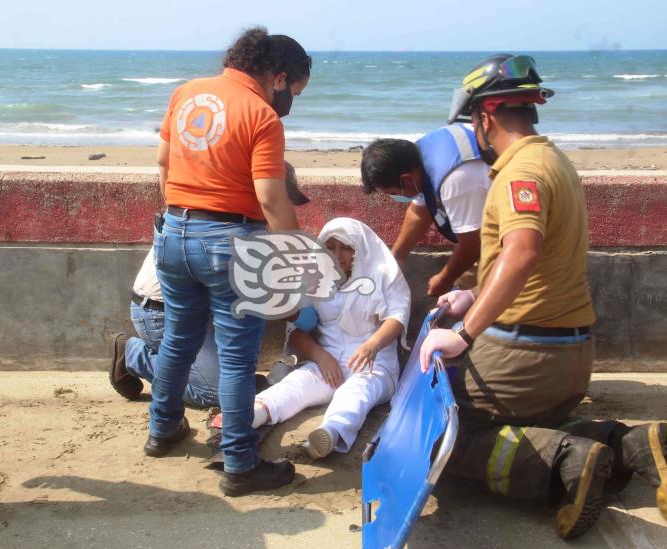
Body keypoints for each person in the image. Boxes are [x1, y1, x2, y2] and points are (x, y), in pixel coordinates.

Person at [419, 53, 667, 539]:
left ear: (484, 118)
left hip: (523, 357)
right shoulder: (554, 160)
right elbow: (536, 261)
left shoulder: (519, 174)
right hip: (569, 357)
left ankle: (566, 463)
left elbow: (525, 251)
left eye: (475, 125)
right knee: (529, 425)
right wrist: (472, 294)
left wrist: (464, 333)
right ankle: (633, 443)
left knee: (441, 440)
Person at [145, 27, 312, 498]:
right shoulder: (262, 116)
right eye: (293, 91)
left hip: (173, 232)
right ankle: (240, 464)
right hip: (232, 242)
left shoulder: (186, 93)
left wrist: (184, 219)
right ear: (277, 77)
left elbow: (163, 161)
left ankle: (163, 431)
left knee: (179, 337)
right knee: (238, 361)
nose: (288, 101)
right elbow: (271, 198)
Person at [109, 162, 311, 408]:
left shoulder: (220, 213)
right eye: (282, 202)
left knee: (237, 376)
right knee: (214, 394)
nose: (285, 211)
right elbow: (280, 306)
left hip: (188, 311)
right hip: (159, 313)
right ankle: (134, 355)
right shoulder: (234, 232)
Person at [232, 217, 411, 459]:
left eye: (346, 247)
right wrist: (321, 356)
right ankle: (251, 416)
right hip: (328, 362)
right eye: (330, 247)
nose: (337, 255)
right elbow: (296, 332)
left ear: (359, 249)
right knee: (296, 384)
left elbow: (397, 317)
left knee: (357, 393)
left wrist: (372, 345)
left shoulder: (382, 276)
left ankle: (330, 432)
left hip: (374, 364)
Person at [360, 125, 490, 297]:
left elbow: (472, 243)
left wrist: (444, 279)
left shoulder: (454, 180)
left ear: (406, 179)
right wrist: (395, 260)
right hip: (481, 227)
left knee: (482, 300)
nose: (395, 197)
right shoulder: (419, 157)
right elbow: (418, 213)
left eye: (393, 193)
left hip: (515, 231)